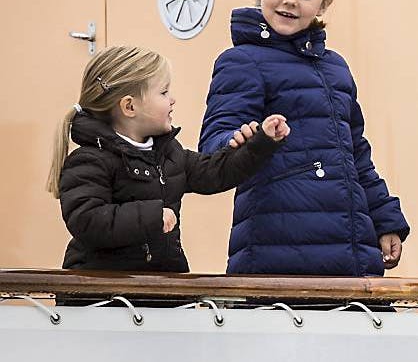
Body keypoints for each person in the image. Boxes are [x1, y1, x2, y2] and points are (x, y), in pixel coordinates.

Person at [199, 0, 409, 276]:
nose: (290, 0)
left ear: (325, 3)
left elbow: (355, 154)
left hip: (351, 259)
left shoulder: (336, 67)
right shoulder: (241, 61)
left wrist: (384, 217)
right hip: (277, 259)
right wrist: (241, 139)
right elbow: (215, 141)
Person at [48, 45, 287, 272]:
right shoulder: (89, 160)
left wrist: (261, 143)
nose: (172, 99)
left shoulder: (169, 154)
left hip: (160, 286)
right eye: (163, 92)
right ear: (129, 107)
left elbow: (216, 172)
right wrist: (152, 216)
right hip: (102, 296)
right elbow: (87, 220)